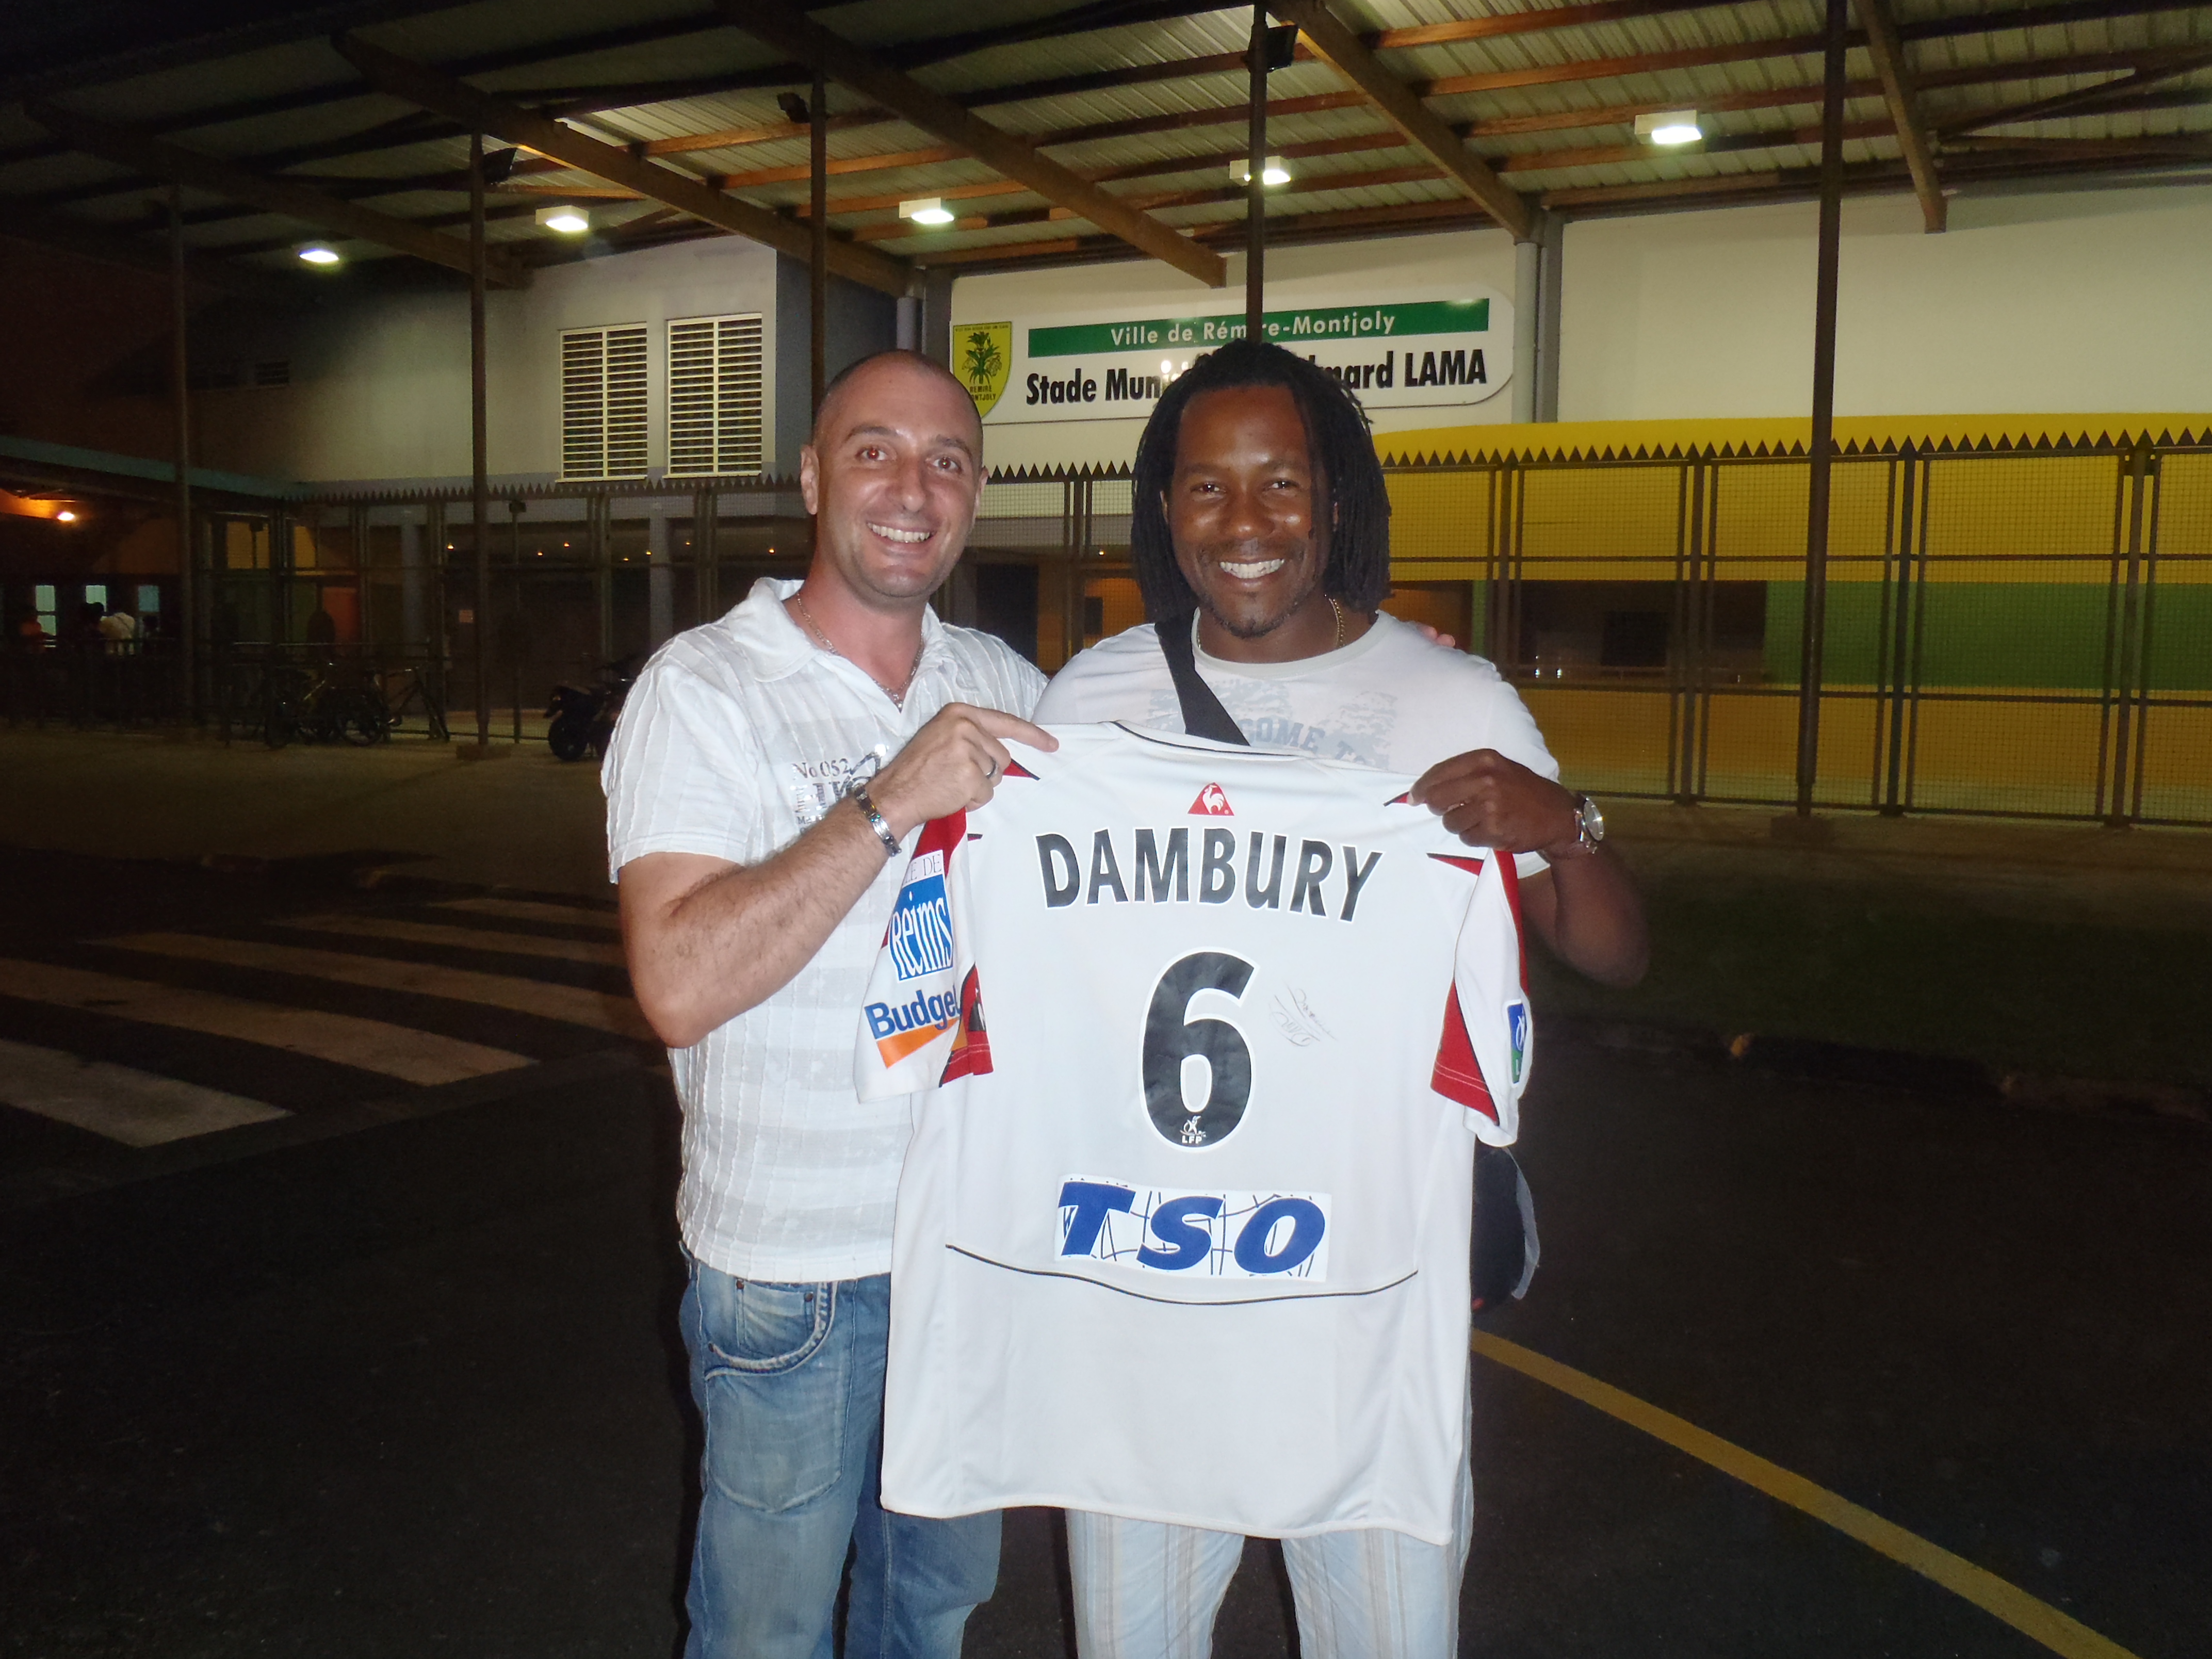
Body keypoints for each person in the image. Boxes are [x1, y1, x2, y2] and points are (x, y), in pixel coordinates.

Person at [1032, 337, 1649, 1657]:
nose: (1244, 522)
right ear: (1165, 510)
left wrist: (1564, 825)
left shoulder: (1447, 696)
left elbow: (1614, 955)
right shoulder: (1089, 699)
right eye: (1206, 486)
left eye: (1279, 482)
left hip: (1366, 1309)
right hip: (1147, 1295)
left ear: (1332, 499)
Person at [604, 349, 1054, 1659]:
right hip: (791, 1272)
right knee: (766, 1636)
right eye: (874, 452)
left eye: (946, 461)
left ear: (975, 494)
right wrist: (888, 802)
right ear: (811, 477)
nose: (913, 489)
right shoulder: (703, 689)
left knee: (932, 1615)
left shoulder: (1009, 685)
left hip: (964, 1258)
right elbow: (676, 987)